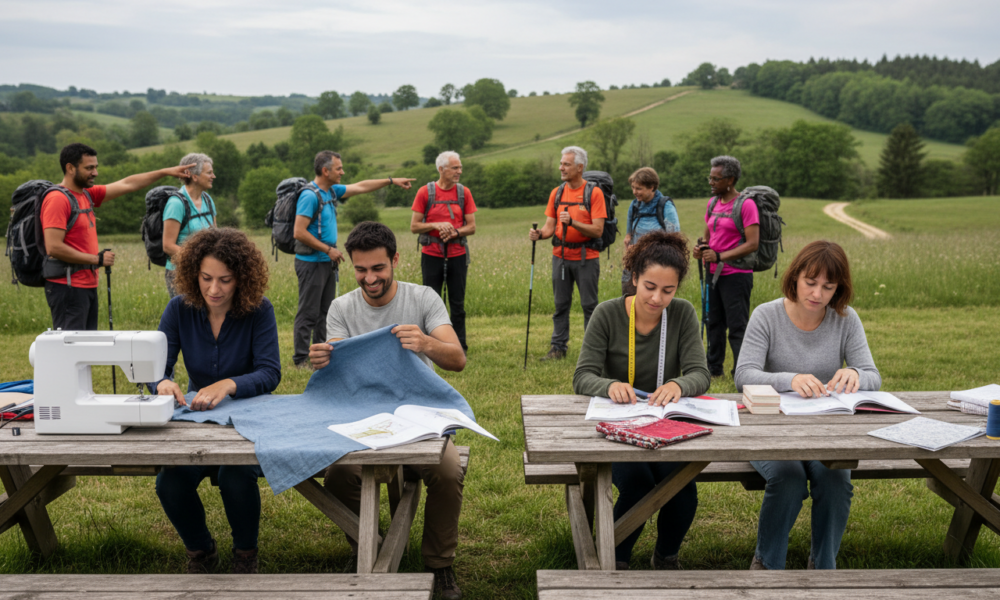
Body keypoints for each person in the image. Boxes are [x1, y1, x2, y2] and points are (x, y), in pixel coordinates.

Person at [309, 222, 466, 600]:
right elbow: (340, 373)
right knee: (338, 480)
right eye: (361, 269)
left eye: (378, 268)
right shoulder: (342, 307)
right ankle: (369, 545)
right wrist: (324, 360)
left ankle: (440, 564)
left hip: (420, 414)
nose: (369, 277)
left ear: (395, 260)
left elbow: (457, 359)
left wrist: (426, 342)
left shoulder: (423, 298)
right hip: (363, 414)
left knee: (447, 472)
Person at [734, 240, 879, 571]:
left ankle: (823, 566)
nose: (817, 294)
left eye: (828, 287)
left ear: (838, 289)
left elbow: (873, 375)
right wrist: (790, 379)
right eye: (810, 283)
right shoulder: (766, 315)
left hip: (823, 430)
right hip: (769, 428)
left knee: (836, 477)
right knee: (788, 476)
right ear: (795, 277)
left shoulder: (846, 319)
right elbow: (743, 375)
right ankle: (768, 565)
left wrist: (854, 373)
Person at [573, 230, 710, 570]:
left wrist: (679, 383)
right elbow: (582, 376)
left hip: (665, 423)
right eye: (649, 287)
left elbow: (701, 374)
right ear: (634, 278)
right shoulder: (607, 314)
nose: (657, 298)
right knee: (637, 484)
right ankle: (615, 558)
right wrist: (609, 385)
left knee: (681, 486)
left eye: (668, 290)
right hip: (619, 423)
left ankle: (666, 557)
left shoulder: (683, 314)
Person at [152, 228, 281, 575]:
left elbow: (270, 373)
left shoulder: (259, 310)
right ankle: (201, 551)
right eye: (206, 278)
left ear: (242, 277)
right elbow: (155, 367)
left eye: (225, 280)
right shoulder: (179, 309)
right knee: (170, 481)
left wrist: (229, 384)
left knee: (235, 476)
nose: (214, 289)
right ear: (194, 274)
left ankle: (245, 554)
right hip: (196, 420)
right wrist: (161, 381)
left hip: (251, 421)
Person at [41, 142, 193, 330]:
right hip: (67, 286)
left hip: (85, 284)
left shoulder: (86, 194)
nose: (95, 172)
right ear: (70, 168)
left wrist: (165, 172)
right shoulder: (58, 199)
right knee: (70, 348)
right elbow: (53, 247)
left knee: (82, 349)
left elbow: (127, 184)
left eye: (96, 167)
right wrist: (96, 259)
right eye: (89, 168)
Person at [291, 150, 414, 368]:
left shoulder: (331, 191)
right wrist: (328, 250)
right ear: (325, 170)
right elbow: (299, 232)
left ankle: (323, 352)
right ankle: (301, 358)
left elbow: (361, 186)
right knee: (308, 311)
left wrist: (391, 181)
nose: (343, 172)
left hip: (326, 261)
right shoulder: (310, 195)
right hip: (311, 262)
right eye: (338, 168)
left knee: (325, 311)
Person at [528, 146, 607, 361]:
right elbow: (550, 227)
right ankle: (558, 348)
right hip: (560, 256)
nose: (561, 167)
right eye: (561, 163)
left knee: (589, 306)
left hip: (586, 258)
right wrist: (539, 234)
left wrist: (573, 223)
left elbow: (598, 229)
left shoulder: (594, 193)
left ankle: (592, 351)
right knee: (560, 305)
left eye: (566, 164)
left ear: (580, 167)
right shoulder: (558, 193)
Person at [692, 155, 759, 378]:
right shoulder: (713, 203)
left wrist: (719, 256)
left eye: (716, 179)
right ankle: (713, 369)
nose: (710, 182)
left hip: (737, 275)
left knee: (737, 326)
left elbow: (752, 243)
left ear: (730, 179)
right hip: (713, 273)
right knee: (713, 322)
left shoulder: (746, 205)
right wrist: (701, 248)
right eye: (709, 178)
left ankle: (742, 371)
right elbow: (708, 235)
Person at [410, 150, 477, 353]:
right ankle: (429, 345)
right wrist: (437, 225)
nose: (459, 171)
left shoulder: (463, 193)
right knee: (430, 301)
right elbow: (414, 226)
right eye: (455, 168)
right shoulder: (425, 192)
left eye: (460, 167)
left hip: (457, 254)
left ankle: (460, 346)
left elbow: (472, 227)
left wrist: (455, 232)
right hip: (431, 254)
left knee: (458, 302)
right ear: (441, 169)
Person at [163, 153, 217, 298]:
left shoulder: (207, 199)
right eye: (209, 173)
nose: (214, 176)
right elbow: (168, 245)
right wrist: (198, 259)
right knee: (185, 317)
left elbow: (215, 236)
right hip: (180, 273)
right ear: (195, 176)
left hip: (206, 272)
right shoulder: (176, 204)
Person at [622, 167, 679, 295]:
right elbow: (628, 234)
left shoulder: (665, 206)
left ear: (652, 187)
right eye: (633, 187)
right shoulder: (634, 205)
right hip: (635, 260)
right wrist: (628, 241)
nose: (634, 192)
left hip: (657, 263)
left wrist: (643, 247)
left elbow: (674, 238)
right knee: (629, 296)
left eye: (639, 188)